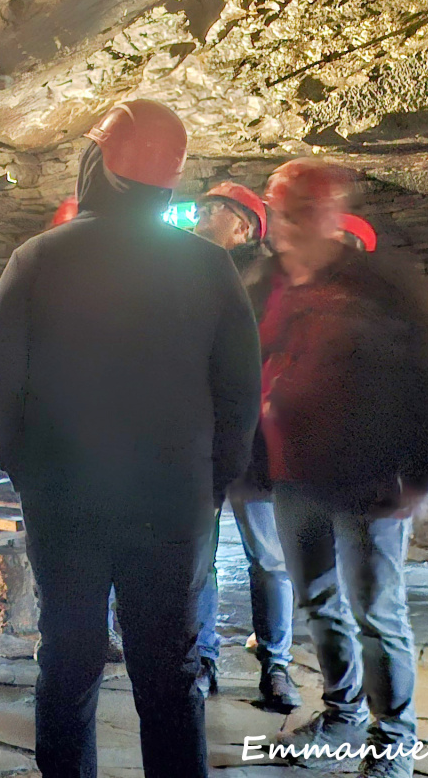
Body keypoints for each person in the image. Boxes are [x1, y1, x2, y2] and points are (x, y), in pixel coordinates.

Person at [0, 99, 261, 778]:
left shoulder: (39, 257)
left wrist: (31, 476)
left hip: (65, 499)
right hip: (171, 503)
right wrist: (208, 486)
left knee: (68, 661)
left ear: (98, 162)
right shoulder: (208, 266)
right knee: (170, 672)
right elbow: (238, 394)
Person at [258, 159, 428, 778]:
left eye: (301, 212)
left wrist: (423, 474)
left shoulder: (378, 287)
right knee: (318, 601)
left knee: (376, 612)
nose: (288, 226)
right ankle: (342, 715)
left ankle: (393, 740)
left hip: (369, 476)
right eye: (282, 213)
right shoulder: (266, 283)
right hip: (293, 472)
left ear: (330, 215)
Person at [189, 181, 301, 713]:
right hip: (199, 441)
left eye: (215, 209)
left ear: (244, 227)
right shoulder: (182, 273)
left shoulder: (267, 282)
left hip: (255, 443)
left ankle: (275, 665)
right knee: (198, 558)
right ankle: (201, 661)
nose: (202, 215)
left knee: (270, 558)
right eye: (204, 207)